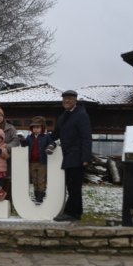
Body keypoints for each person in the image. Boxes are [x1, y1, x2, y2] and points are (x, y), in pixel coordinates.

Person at [51, 90, 92, 221]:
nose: (66, 101)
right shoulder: (63, 116)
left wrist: (86, 158)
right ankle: (77, 213)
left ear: (75, 100)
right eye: (64, 99)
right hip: (67, 156)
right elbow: (55, 134)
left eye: (69, 99)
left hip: (78, 156)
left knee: (74, 186)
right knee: (71, 185)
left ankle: (71, 213)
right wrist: (40, 139)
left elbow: (86, 137)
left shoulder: (81, 115)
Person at [19, 116, 55, 204]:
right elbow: (24, 144)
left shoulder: (46, 137)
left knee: (41, 180)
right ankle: (36, 195)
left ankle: (40, 197)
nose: (36, 129)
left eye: (38, 127)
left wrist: (50, 147)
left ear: (42, 128)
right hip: (32, 162)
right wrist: (22, 139)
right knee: (34, 180)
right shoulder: (29, 137)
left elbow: (53, 143)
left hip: (42, 162)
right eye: (34, 127)